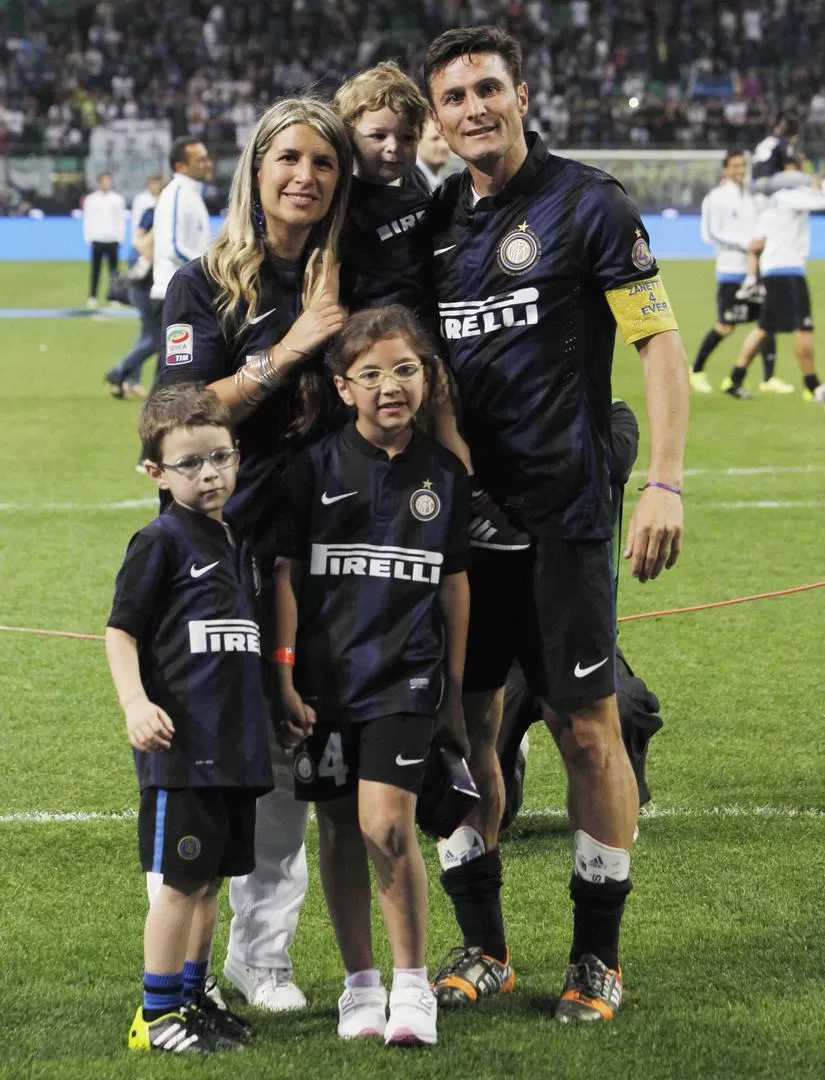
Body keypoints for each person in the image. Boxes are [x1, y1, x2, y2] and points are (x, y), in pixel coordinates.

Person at [422, 25, 688, 1021]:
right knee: (464, 727)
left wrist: (663, 481)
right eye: (453, 98)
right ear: (438, 122)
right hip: (462, 528)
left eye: (488, 88)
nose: (472, 109)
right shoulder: (439, 222)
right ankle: (484, 948)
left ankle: (597, 957)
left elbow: (658, 344)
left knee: (587, 728)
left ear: (522, 95)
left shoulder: (591, 203)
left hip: (567, 515)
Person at [157, 97, 352, 1013]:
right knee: (243, 763)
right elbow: (177, 418)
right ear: (256, 167)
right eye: (287, 158)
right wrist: (293, 350)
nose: (303, 176)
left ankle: (270, 956)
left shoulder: (351, 273)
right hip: (229, 561)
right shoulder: (204, 282)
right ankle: (236, 960)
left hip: (341, 548)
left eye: (322, 161)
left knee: (312, 747)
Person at [273, 305, 470, 1046]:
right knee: (336, 829)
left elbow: (453, 584)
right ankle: (360, 984)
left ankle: (412, 984)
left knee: (385, 824)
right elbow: (286, 576)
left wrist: (449, 689)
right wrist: (286, 674)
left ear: (428, 378)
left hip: (406, 680)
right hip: (326, 684)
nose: (391, 386)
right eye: (372, 374)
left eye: (405, 370)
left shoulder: (445, 475)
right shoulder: (313, 468)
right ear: (343, 386)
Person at [104, 383, 273, 1053]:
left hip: (234, 743)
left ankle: (194, 996)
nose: (209, 474)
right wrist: (135, 704)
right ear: (155, 471)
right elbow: (121, 633)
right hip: (184, 747)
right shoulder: (160, 540)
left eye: (220, 458)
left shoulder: (234, 538)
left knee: (210, 881)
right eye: (190, 464)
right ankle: (156, 1016)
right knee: (179, 884)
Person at [334, 59, 530, 552]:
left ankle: (453, 511)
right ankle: (468, 506)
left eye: (405, 137)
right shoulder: (342, 206)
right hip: (383, 352)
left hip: (429, 336)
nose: (392, 149)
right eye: (377, 136)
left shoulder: (418, 190)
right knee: (436, 434)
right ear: (347, 133)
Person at [722, 160, 825, 402]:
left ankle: (735, 378)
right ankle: (813, 386)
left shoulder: (771, 204)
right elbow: (820, 202)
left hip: (773, 271)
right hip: (788, 271)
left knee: (764, 328)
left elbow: (757, 242)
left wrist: (753, 275)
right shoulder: (789, 196)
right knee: (803, 327)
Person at [692, 150, 791, 395]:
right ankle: (696, 371)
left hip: (756, 269)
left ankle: (768, 379)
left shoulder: (751, 195)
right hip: (731, 270)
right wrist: (745, 242)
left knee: (766, 323)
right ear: (725, 169)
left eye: (742, 166)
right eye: (734, 166)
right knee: (726, 326)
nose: (739, 170)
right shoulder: (716, 197)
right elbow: (711, 233)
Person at [104, 189, 161, 398]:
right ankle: (119, 372)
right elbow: (141, 244)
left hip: (145, 285)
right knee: (156, 338)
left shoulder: (154, 215)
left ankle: (129, 380)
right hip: (144, 286)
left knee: (147, 334)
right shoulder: (155, 216)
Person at [150, 138, 213, 322]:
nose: (207, 164)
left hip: (190, 292)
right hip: (174, 293)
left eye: (206, 159)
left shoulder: (192, 194)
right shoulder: (176, 194)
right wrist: (211, 271)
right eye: (200, 160)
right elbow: (174, 248)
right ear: (181, 167)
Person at [82, 172, 125, 308]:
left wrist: (120, 237)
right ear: (99, 183)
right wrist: (89, 238)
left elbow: (120, 219)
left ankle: (115, 297)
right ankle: (93, 296)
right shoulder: (91, 199)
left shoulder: (117, 199)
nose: (107, 184)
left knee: (114, 271)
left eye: (108, 181)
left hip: (112, 238)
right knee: (96, 270)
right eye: (104, 181)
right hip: (97, 238)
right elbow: (87, 220)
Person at [417, 116, 453, 192]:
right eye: (435, 139)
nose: (444, 146)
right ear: (417, 141)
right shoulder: (409, 181)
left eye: (447, 139)